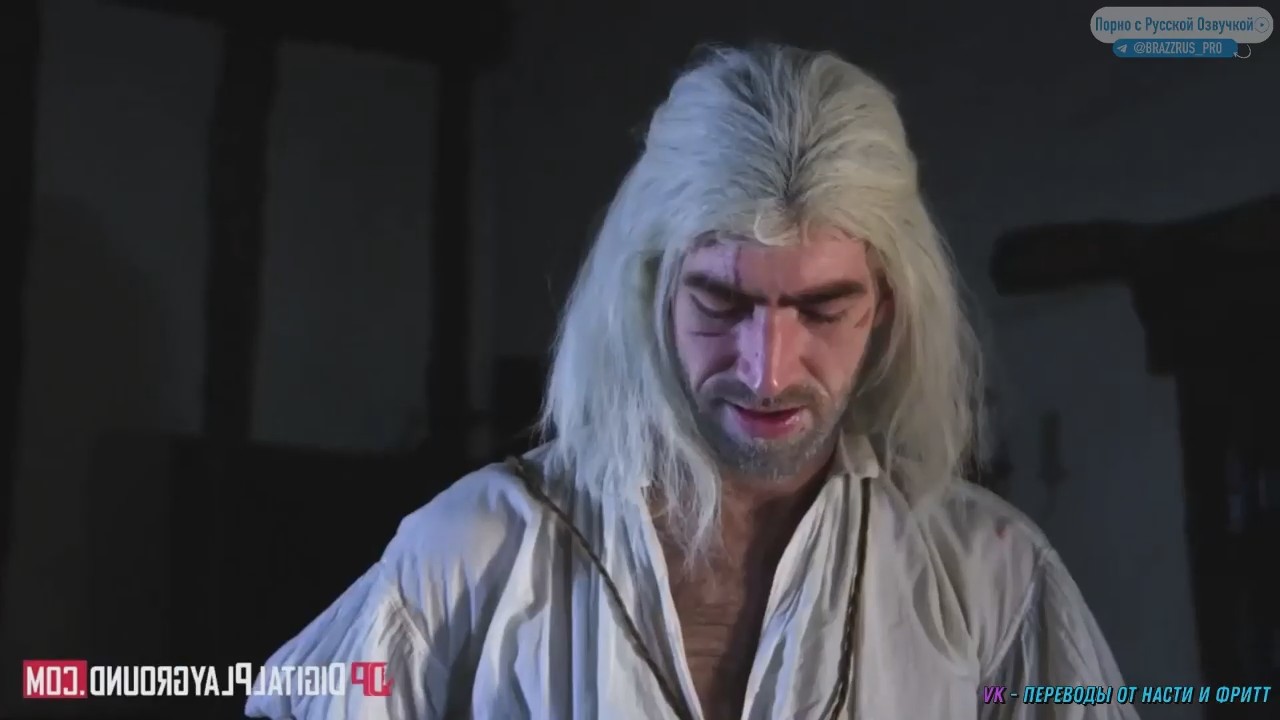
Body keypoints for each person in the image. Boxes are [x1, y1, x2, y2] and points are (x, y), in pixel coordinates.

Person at [246, 43, 1136, 720]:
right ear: (652, 289)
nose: (767, 371)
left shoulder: (988, 578)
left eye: (822, 309)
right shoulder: (474, 552)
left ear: (887, 309)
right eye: (722, 301)